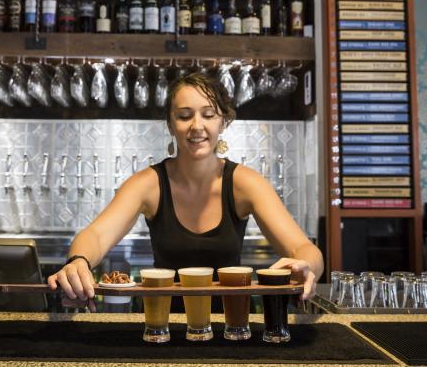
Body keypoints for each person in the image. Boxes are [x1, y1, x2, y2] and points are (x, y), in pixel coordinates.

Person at [47, 72, 323, 311]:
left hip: (235, 328)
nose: (197, 126)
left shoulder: (245, 183)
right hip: (162, 327)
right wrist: (78, 261)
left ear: (223, 122)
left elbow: (304, 249)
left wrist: (307, 267)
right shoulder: (148, 184)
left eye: (208, 114)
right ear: (171, 124)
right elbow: (95, 234)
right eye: (184, 116)